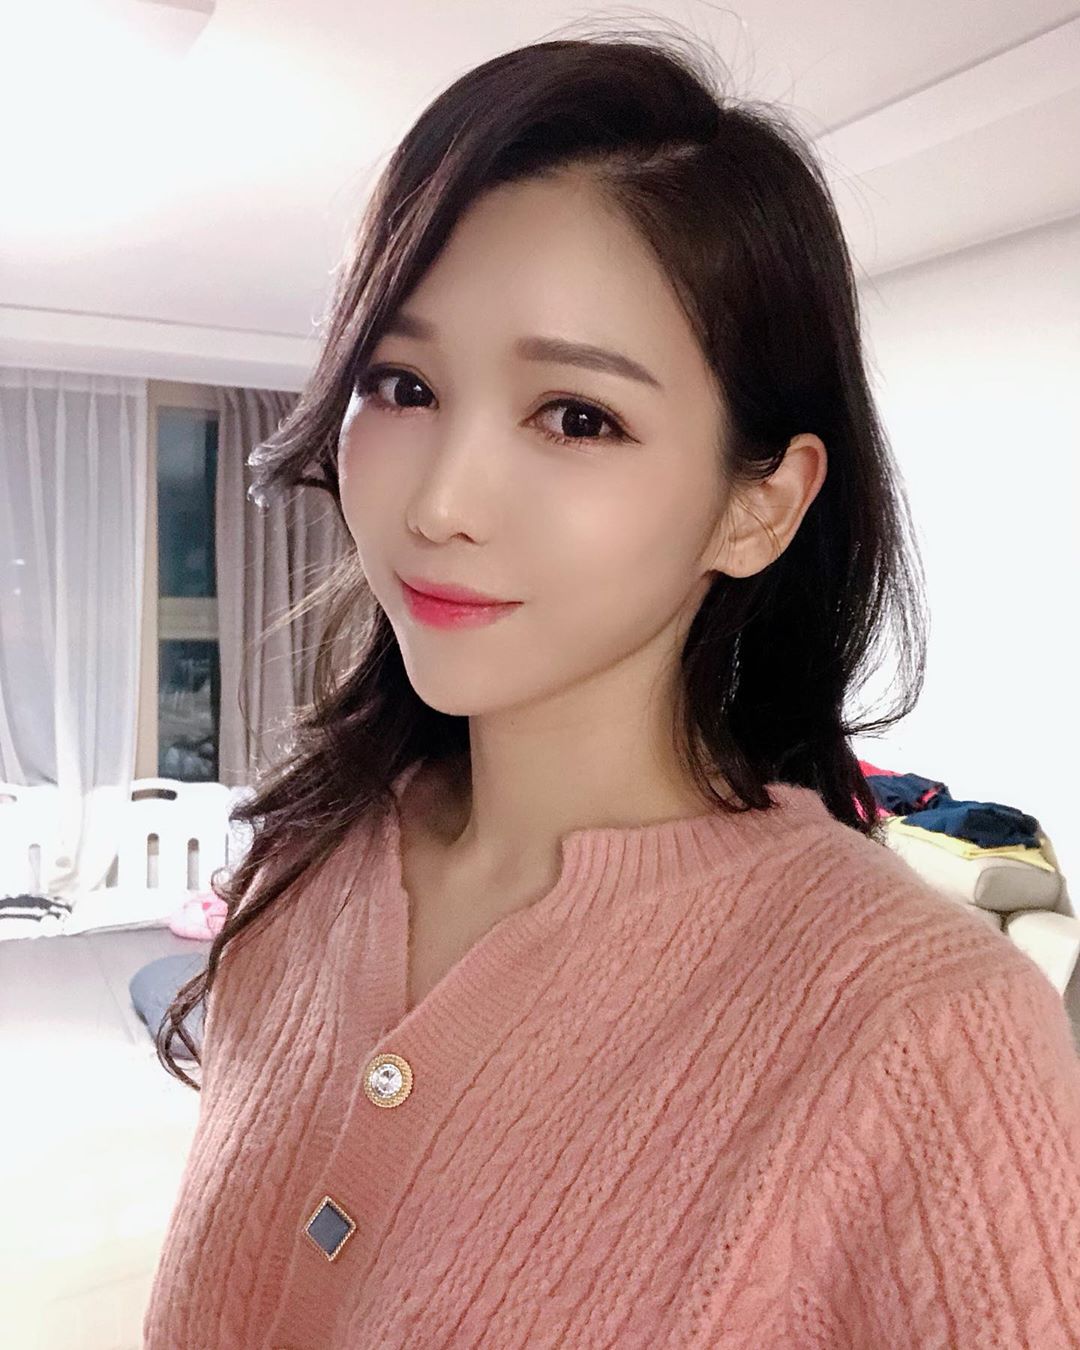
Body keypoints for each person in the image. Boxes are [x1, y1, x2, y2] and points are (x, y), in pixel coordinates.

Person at [145, 27, 1080, 1348]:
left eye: (576, 415)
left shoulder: (930, 1033)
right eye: (403, 384)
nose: (441, 501)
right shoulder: (305, 869)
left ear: (760, 506)